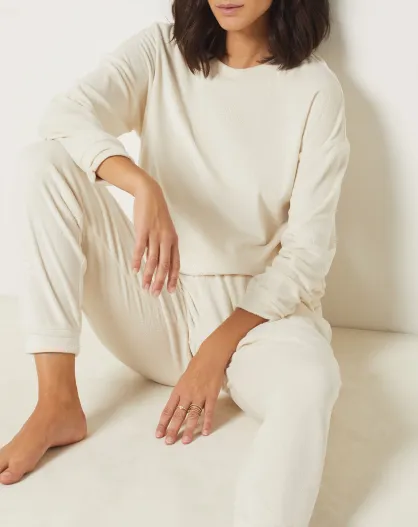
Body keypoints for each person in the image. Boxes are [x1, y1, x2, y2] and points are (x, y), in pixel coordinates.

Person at [0, 0, 350, 525]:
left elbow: (307, 256)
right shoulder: (161, 52)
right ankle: (57, 403)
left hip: (259, 323)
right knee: (43, 163)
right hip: (158, 298)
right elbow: (65, 115)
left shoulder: (315, 89)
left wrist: (214, 351)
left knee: (312, 383)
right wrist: (140, 184)